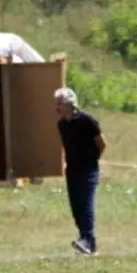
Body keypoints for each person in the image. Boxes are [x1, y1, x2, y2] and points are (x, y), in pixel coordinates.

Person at [54, 87, 106, 255]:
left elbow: (101, 143)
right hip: (72, 169)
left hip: (88, 169)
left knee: (85, 204)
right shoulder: (62, 124)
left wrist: (92, 159)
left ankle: (88, 240)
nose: (57, 107)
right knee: (75, 206)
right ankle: (85, 240)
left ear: (69, 103)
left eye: (60, 103)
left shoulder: (87, 121)